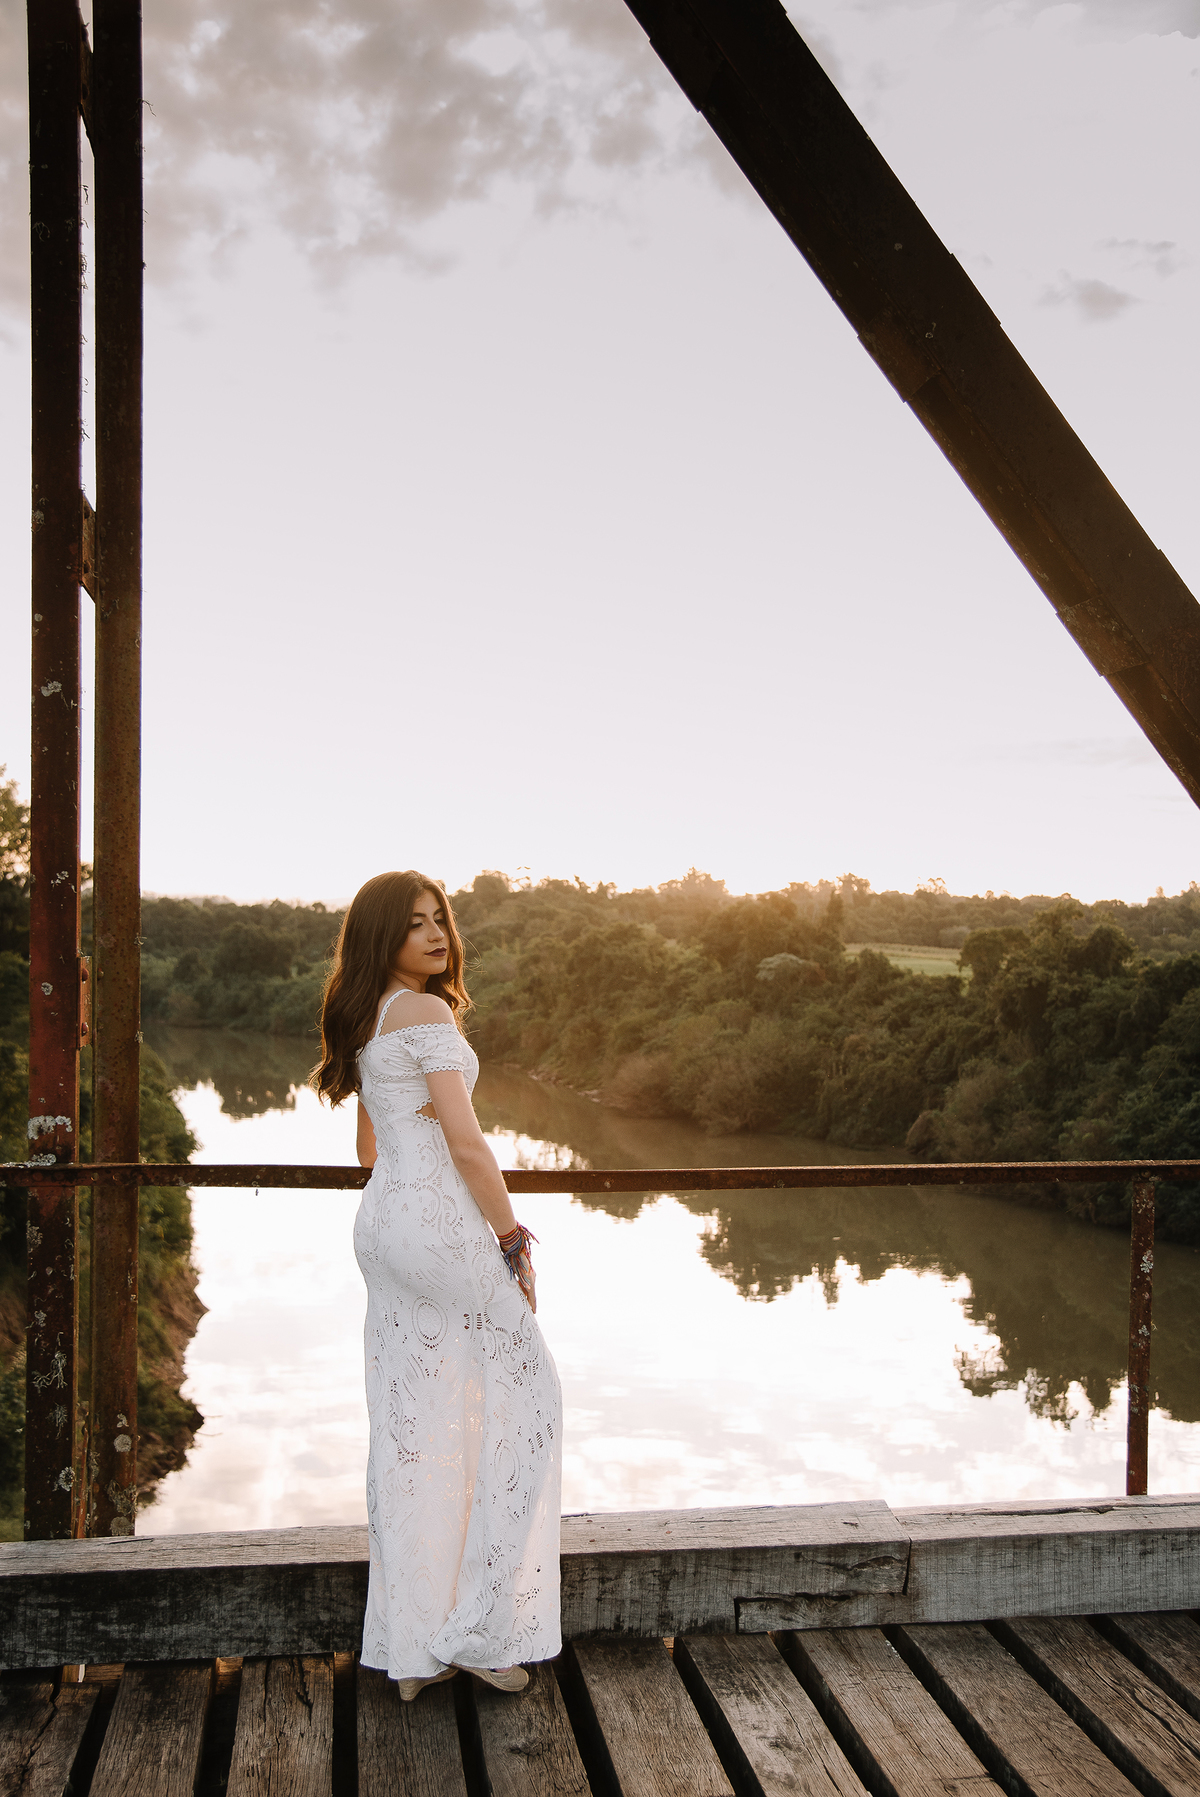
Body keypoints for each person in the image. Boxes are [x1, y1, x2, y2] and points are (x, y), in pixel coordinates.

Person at [313, 869, 562, 1702]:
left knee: (412, 1426)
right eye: (415, 923)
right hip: (442, 1227)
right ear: (384, 933)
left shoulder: (365, 1014)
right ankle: (481, 1632)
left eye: (440, 921)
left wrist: (411, 1118)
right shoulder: (427, 1011)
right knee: (526, 1400)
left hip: (383, 1229)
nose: (436, 935)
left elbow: (368, 1154)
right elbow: (467, 1145)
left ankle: (413, 1648)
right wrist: (510, 1238)